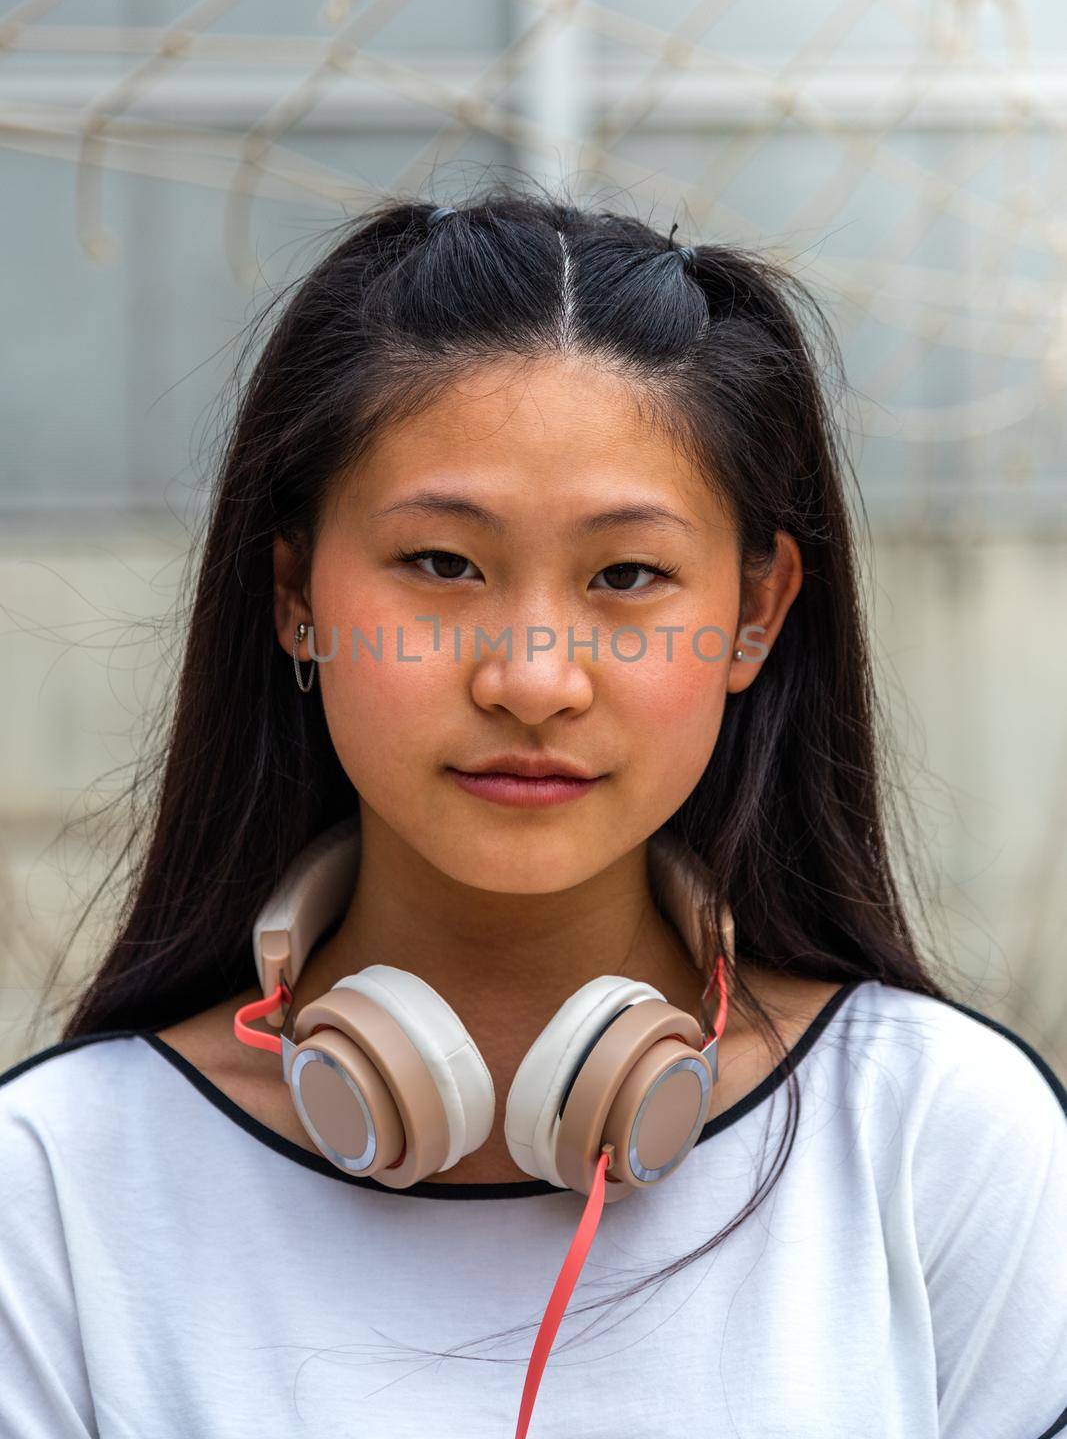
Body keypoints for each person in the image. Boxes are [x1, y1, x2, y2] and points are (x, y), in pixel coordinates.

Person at [2, 191, 1064, 1439]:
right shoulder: (57, 1189)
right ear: (295, 593)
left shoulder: (936, 1138)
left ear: (756, 612)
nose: (532, 680)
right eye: (443, 565)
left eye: (626, 576)